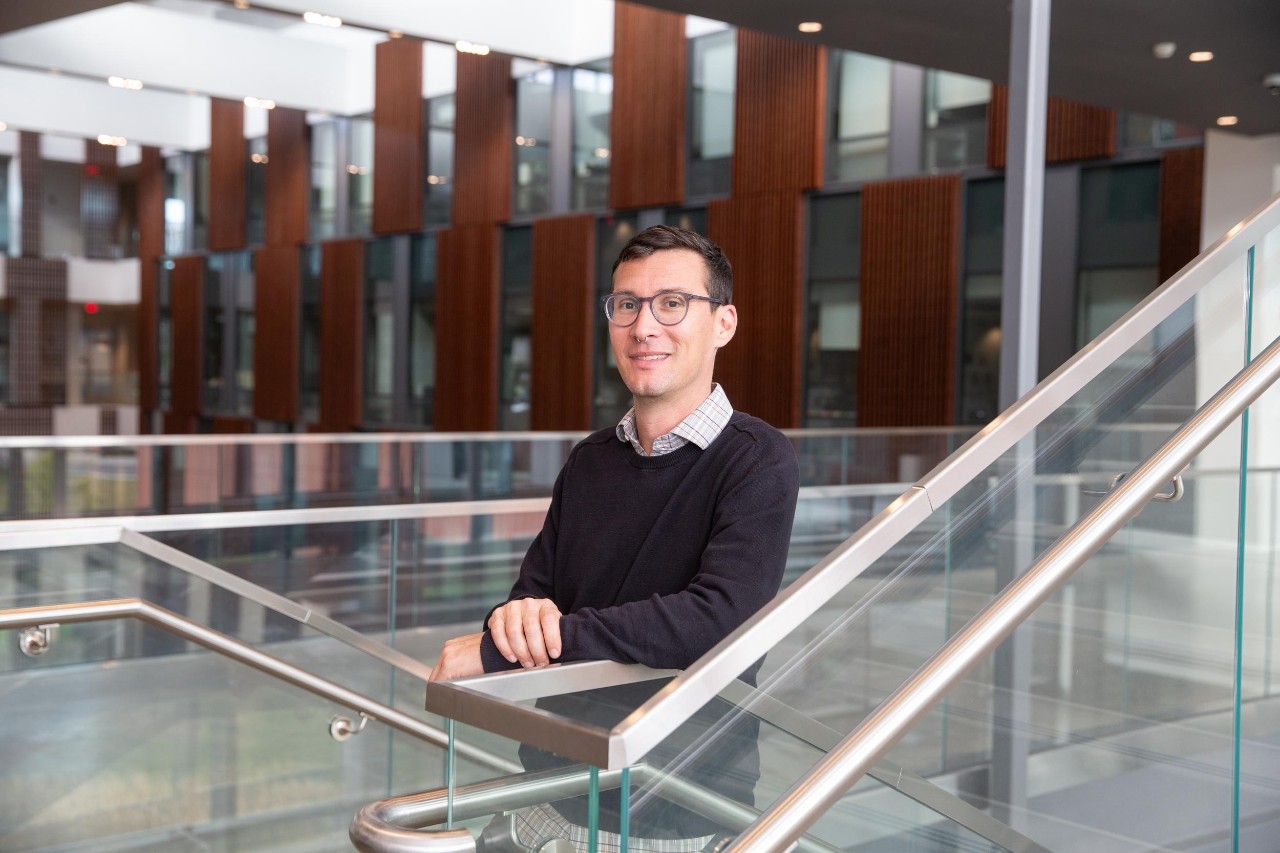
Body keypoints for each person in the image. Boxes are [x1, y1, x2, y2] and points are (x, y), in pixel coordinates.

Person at [429, 224, 800, 852]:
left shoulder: (756, 459)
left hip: (678, 812)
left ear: (724, 324)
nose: (644, 327)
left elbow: (719, 622)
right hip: (549, 794)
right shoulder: (590, 460)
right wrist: (512, 626)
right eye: (626, 304)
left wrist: (498, 653)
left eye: (672, 303)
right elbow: (529, 604)